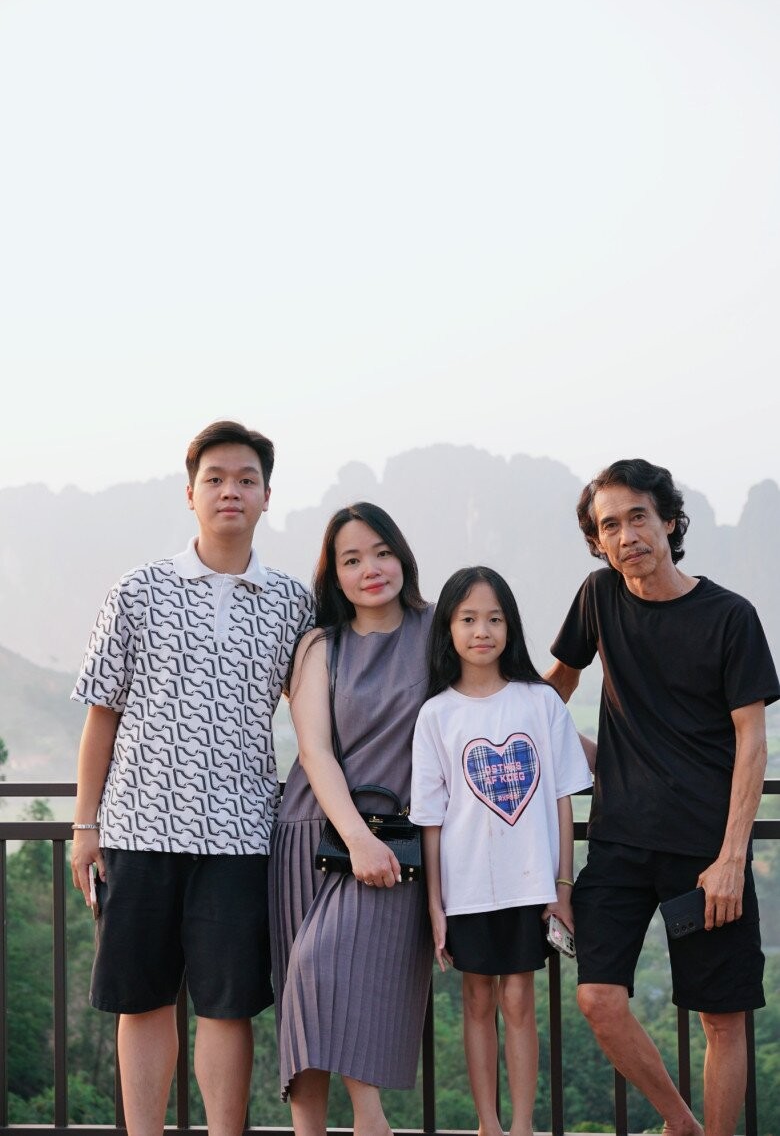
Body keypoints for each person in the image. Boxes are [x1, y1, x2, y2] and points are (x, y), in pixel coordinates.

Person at [70, 419, 314, 1136]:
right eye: (215, 479)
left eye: (246, 480)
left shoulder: (293, 603)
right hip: (138, 829)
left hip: (241, 836)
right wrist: (85, 826)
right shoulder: (138, 590)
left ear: (266, 496)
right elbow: (102, 716)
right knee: (142, 1001)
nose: (230, 491)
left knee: (228, 1006)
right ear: (190, 494)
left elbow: (319, 719)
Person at [547, 457, 779, 1136]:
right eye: (609, 526)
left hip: (706, 851)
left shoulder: (729, 616)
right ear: (597, 540)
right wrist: (577, 753)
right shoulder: (599, 597)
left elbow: (753, 743)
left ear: (670, 521)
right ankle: (682, 1123)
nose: (626, 536)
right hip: (619, 841)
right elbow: (548, 694)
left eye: (638, 517)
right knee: (597, 997)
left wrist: (731, 858)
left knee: (721, 1018)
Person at [269, 502, 434, 1136]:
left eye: (382, 552)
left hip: (392, 840)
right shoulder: (321, 644)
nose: (372, 569)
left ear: (403, 555)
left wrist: (600, 756)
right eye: (353, 559)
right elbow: (313, 749)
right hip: (313, 832)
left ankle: (372, 1121)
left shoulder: (438, 628)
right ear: (334, 575)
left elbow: (501, 700)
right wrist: (355, 838)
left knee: (327, 972)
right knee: (301, 998)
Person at [410, 566, 591, 1136]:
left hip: (531, 884)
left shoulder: (540, 703)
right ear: (448, 628)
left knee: (518, 1002)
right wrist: (436, 905)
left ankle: (522, 1127)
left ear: (510, 626)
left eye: (494, 619)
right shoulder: (436, 714)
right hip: (466, 887)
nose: (482, 631)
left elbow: (563, 799)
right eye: (468, 619)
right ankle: (488, 1125)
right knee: (476, 1001)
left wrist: (563, 888)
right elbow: (431, 820)